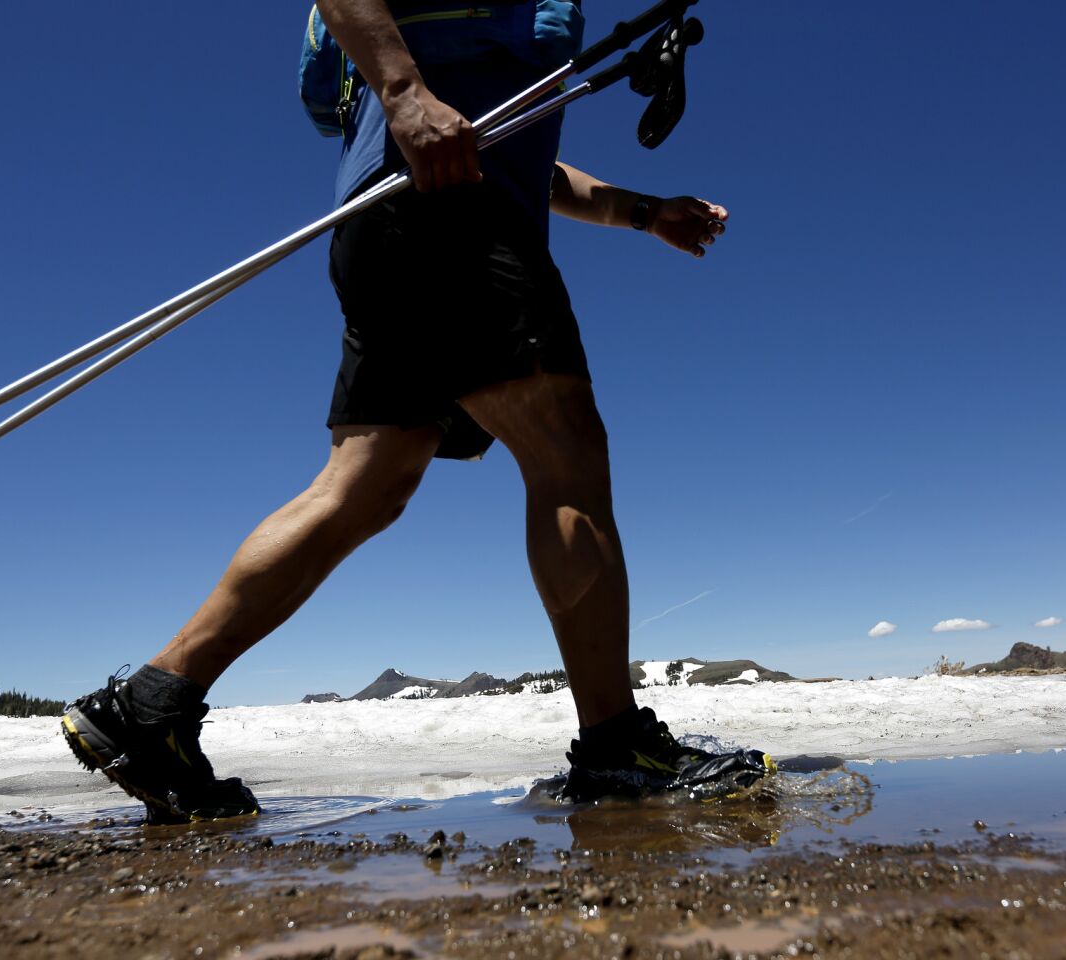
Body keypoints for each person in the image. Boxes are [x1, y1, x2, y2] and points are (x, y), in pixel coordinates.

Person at [62, 0, 772, 822]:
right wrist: (403, 91)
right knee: (564, 450)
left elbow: (529, 159)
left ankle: (153, 703)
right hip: (450, 213)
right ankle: (616, 745)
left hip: (394, 222)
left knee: (364, 486)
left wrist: (644, 212)